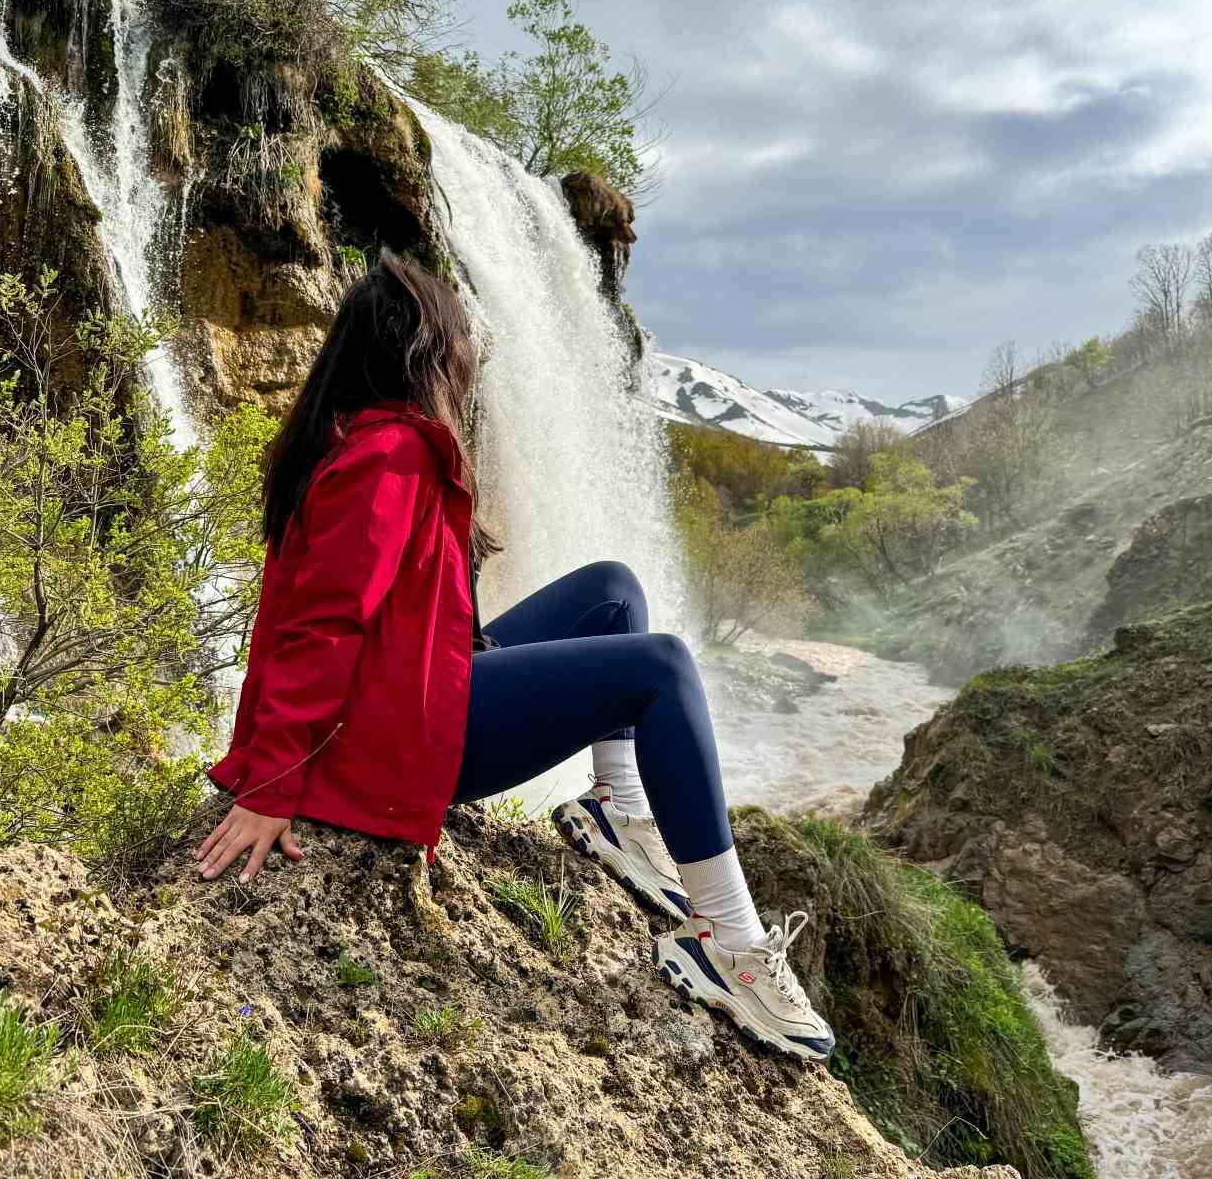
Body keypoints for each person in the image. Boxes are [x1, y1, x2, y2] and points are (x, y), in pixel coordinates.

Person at [198, 250, 834, 1063]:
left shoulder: (358, 438)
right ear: (427, 351)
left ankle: (618, 813)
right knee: (661, 668)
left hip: (411, 691)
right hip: (389, 746)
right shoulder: (387, 454)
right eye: (461, 338)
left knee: (613, 588)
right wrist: (274, 783)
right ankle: (731, 944)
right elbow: (323, 623)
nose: (472, 355)